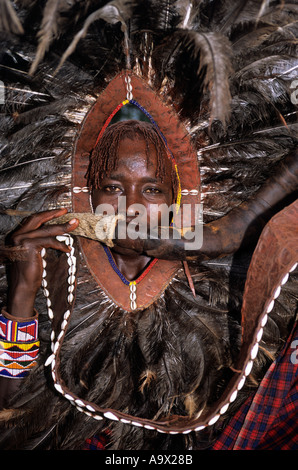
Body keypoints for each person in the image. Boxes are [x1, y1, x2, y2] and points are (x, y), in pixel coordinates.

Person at [0, 119, 297, 450]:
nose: (131, 208)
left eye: (152, 190)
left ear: (176, 200)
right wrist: (22, 293)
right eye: (113, 188)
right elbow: (13, 417)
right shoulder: (52, 270)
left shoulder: (233, 291)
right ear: (89, 196)